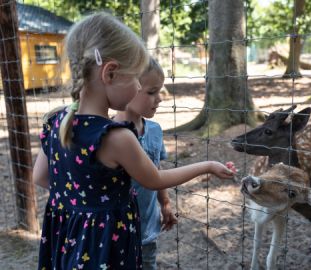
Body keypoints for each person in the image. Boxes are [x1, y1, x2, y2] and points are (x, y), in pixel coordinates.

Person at [32, 12, 234, 270]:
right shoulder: (117, 137)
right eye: (136, 77)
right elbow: (156, 180)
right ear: (110, 73)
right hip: (105, 247)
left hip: (67, 239)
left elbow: (40, 177)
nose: (139, 87)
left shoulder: (57, 121)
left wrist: (82, 199)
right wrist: (207, 166)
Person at [113, 57, 176, 270]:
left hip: (147, 230)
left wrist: (165, 203)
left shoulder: (155, 131)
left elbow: (156, 169)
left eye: (159, 91)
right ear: (129, 88)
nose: (159, 99)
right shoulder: (108, 133)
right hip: (115, 232)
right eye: (151, 92)